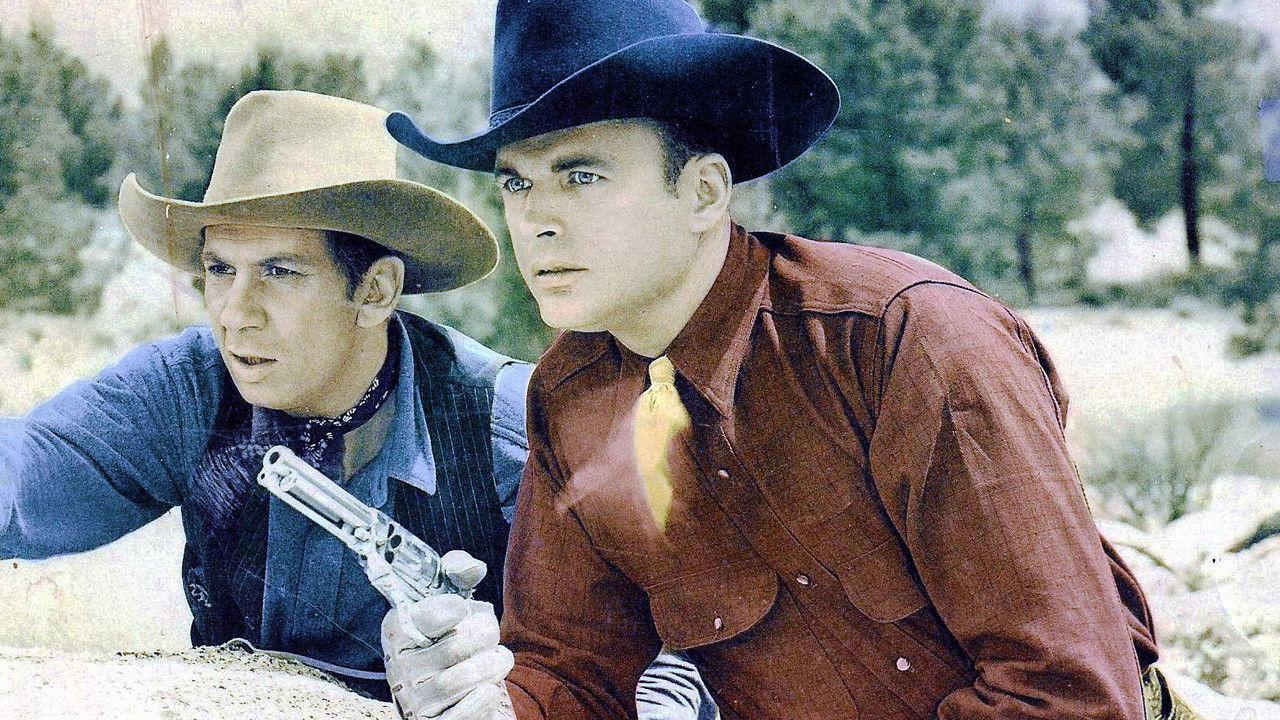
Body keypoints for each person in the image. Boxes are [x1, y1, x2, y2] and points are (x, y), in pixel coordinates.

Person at [379, 0, 1203, 718]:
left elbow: (1070, 696)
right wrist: (471, 698)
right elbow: (573, 681)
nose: (538, 220)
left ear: (704, 192)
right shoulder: (571, 397)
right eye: (517, 184)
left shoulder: (903, 339)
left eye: (582, 176)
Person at [0, 88, 710, 717]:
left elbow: (685, 652)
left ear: (375, 291)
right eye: (219, 269)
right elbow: (25, 472)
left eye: (279, 272)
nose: (235, 313)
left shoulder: (523, 425)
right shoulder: (191, 387)